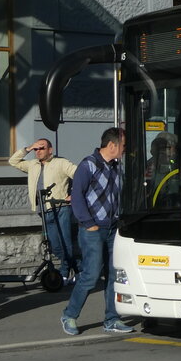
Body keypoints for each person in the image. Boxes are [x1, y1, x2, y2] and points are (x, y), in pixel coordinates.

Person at [61, 127, 133, 335]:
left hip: (113, 228)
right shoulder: (88, 165)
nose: (125, 150)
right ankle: (69, 315)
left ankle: (111, 319)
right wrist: (88, 222)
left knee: (114, 275)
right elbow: (76, 196)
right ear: (112, 145)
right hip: (93, 228)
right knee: (91, 275)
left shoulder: (117, 167)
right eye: (123, 146)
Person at [9, 138, 78, 281]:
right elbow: (13, 161)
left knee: (65, 242)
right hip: (44, 209)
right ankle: (80, 268)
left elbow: (80, 176)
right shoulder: (32, 165)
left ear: (50, 150)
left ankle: (65, 272)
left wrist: (74, 194)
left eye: (41, 148)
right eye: (36, 149)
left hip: (61, 208)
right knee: (54, 245)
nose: (38, 151)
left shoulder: (61, 163)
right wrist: (28, 148)